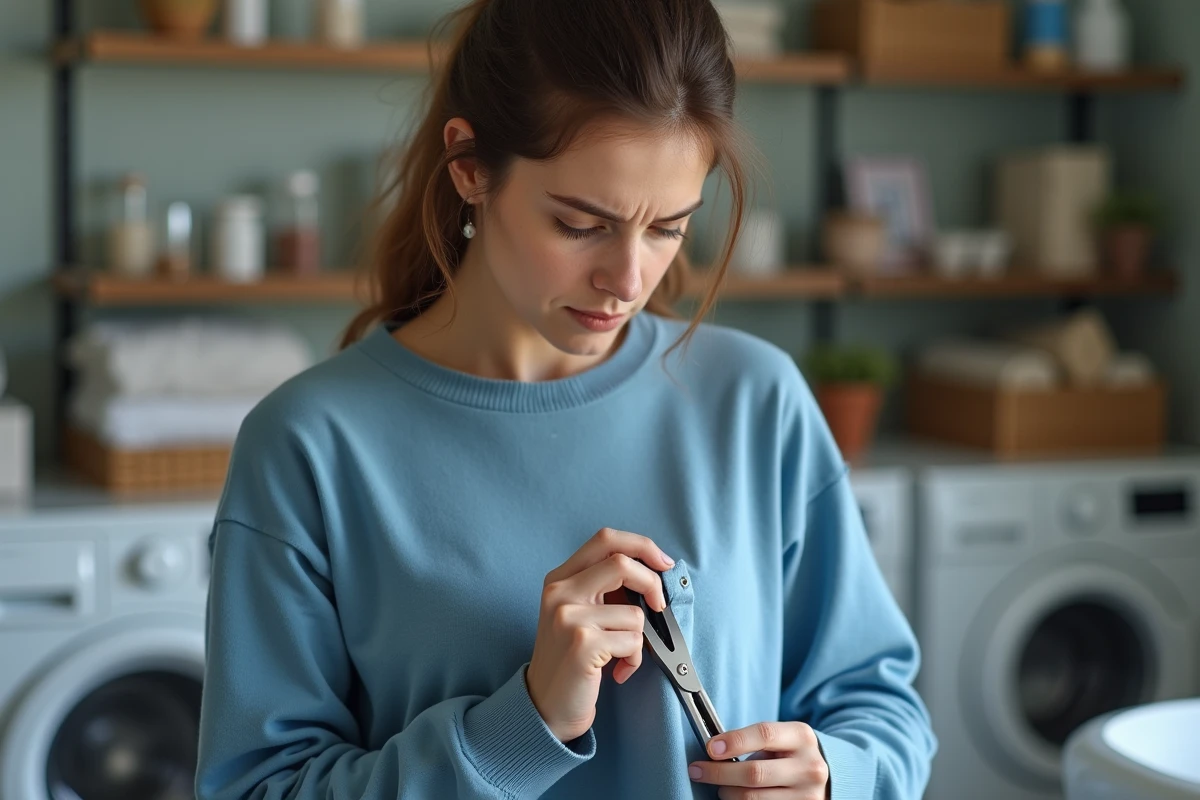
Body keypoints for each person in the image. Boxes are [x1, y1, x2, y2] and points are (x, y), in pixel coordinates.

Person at [194, 0, 937, 797]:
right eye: (582, 224)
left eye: (668, 228)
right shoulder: (308, 444)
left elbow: (880, 708)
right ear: (470, 166)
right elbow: (255, 787)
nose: (628, 281)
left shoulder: (757, 401)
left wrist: (835, 774)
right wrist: (523, 726)